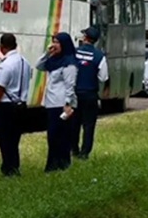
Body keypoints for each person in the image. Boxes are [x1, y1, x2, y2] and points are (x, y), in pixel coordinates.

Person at [0, 33, 30, 177]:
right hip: (21, 104)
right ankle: (14, 165)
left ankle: (8, 167)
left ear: (2, 47)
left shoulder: (6, 65)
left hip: (7, 106)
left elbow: (0, 88)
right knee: (14, 138)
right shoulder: (25, 62)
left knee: (5, 138)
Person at [35, 32, 77, 173]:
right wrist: (47, 53)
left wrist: (68, 104)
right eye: (53, 42)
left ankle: (61, 163)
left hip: (62, 104)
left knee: (61, 134)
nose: (55, 45)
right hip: (51, 103)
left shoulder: (69, 63)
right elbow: (39, 66)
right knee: (52, 135)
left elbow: (70, 85)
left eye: (57, 42)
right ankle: (53, 163)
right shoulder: (53, 61)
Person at [72, 26, 109, 160]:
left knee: (74, 122)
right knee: (88, 125)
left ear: (85, 38)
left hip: (75, 92)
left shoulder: (74, 52)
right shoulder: (99, 56)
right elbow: (103, 77)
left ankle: (73, 149)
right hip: (90, 94)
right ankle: (85, 152)